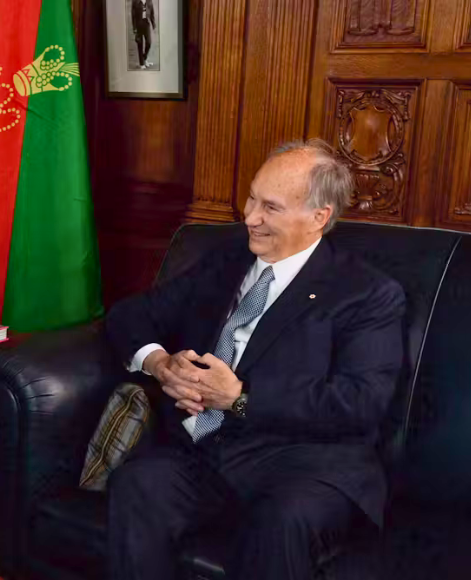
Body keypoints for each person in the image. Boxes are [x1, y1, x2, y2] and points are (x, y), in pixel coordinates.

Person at [105, 140, 405, 580]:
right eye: (251, 197)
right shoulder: (226, 261)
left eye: (271, 207)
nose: (250, 218)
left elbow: (359, 401)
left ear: (318, 217)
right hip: (205, 452)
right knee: (137, 484)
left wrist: (240, 398)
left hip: (303, 464)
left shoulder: (366, 293)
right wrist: (159, 363)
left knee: (283, 520)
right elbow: (131, 315)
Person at [131, 0, 156, 69]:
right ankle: (142, 64)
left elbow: (152, 13)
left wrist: (153, 24)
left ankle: (144, 58)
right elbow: (133, 16)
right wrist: (134, 28)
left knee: (149, 42)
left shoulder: (149, 1)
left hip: (146, 23)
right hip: (138, 25)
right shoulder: (135, 2)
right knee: (140, 43)